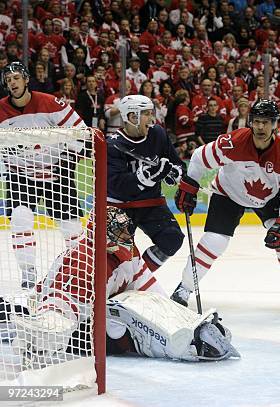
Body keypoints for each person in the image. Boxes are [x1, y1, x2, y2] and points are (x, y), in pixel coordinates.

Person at [1, 206, 239, 364]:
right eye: (119, 229)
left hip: (90, 311)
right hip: (68, 321)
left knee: (126, 312)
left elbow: (151, 292)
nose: (126, 234)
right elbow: (60, 308)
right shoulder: (85, 261)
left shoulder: (126, 251)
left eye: (126, 228)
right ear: (103, 232)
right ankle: (9, 319)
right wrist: (45, 333)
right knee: (118, 330)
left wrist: (180, 321)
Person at [172, 100, 280, 310]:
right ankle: (185, 287)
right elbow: (199, 157)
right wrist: (190, 184)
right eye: (257, 121)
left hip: (268, 198)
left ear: (275, 125)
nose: (261, 127)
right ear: (251, 122)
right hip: (229, 192)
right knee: (214, 241)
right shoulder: (233, 143)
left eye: (266, 122)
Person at [0, 61, 85, 289]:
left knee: (72, 229)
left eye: (16, 78)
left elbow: (82, 133)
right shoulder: (0, 109)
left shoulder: (50, 103)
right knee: (19, 220)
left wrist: (68, 161)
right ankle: (28, 273)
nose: (12, 82)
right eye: (8, 80)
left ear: (26, 79)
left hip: (57, 174)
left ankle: (78, 269)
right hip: (20, 176)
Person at [106, 95, 185, 272]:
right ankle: (121, 278)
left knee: (172, 238)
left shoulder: (158, 134)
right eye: (146, 114)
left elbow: (176, 162)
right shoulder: (112, 145)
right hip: (119, 207)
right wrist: (146, 176)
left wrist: (176, 174)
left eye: (151, 113)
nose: (152, 119)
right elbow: (117, 186)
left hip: (151, 202)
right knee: (116, 256)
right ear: (132, 116)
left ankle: (139, 277)